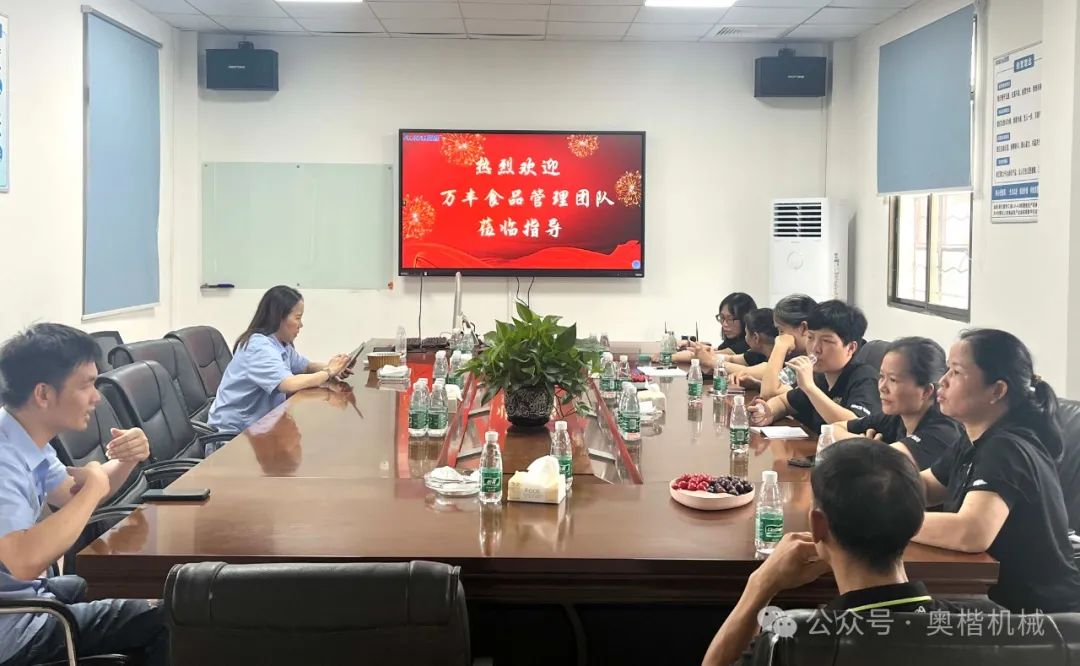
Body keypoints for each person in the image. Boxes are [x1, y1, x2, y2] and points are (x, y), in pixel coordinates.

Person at [702, 440, 1000, 666]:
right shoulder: (990, 622)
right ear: (915, 522)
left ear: (818, 525)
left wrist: (759, 586)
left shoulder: (794, 642)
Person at [0, 324, 167, 665]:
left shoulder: (21, 436)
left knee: (105, 589)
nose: (97, 396)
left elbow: (69, 492)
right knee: (165, 620)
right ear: (43, 394)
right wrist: (92, 488)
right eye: (87, 384)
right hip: (13, 629)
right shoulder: (4, 461)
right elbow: (20, 561)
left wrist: (126, 459)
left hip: (24, 599)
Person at [913, 329, 1080, 612]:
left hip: (1040, 617)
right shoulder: (975, 439)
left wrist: (888, 522)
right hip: (994, 598)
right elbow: (924, 486)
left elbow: (971, 531)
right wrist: (868, 495)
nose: (942, 381)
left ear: (997, 390)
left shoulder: (1007, 447)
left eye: (956, 372)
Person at [208, 285, 353, 434]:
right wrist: (328, 372)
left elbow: (306, 366)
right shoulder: (258, 347)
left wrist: (335, 368)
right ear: (278, 318)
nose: (301, 324)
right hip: (232, 438)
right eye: (297, 318)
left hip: (260, 429)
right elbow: (288, 384)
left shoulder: (279, 344)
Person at [833, 337, 964, 470]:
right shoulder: (895, 416)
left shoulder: (943, 431)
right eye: (882, 377)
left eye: (893, 380)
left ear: (926, 391)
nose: (882, 387)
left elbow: (884, 462)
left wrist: (868, 447)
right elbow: (832, 430)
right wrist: (864, 443)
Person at [750, 300, 879, 434]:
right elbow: (784, 402)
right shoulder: (822, 377)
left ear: (850, 348)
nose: (815, 348)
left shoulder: (864, 378)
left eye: (826, 341)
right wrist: (768, 412)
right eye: (810, 338)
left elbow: (856, 425)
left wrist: (810, 388)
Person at [758, 294, 816, 400]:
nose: (779, 337)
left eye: (781, 330)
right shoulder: (801, 359)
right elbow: (783, 387)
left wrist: (780, 346)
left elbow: (768, 393)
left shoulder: (815, 361)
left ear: (804, 328)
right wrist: (756, 384)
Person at [700, 308, 777, 384]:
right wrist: (707, 354)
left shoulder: (778, 359)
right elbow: (731, 359)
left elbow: (746, 371)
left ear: (756, 337)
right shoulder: (757, 352)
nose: (745, 337)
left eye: (746, 333)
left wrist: (710, 361)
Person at [676, 292, 757, 363]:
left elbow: (710, 355)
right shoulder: (733, 339)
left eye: (730, 319)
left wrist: (670, 357)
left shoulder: (748, 343)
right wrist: (689, 344)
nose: (724, 324)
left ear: (744, 319)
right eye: (722, 317)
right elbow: (716, 350)